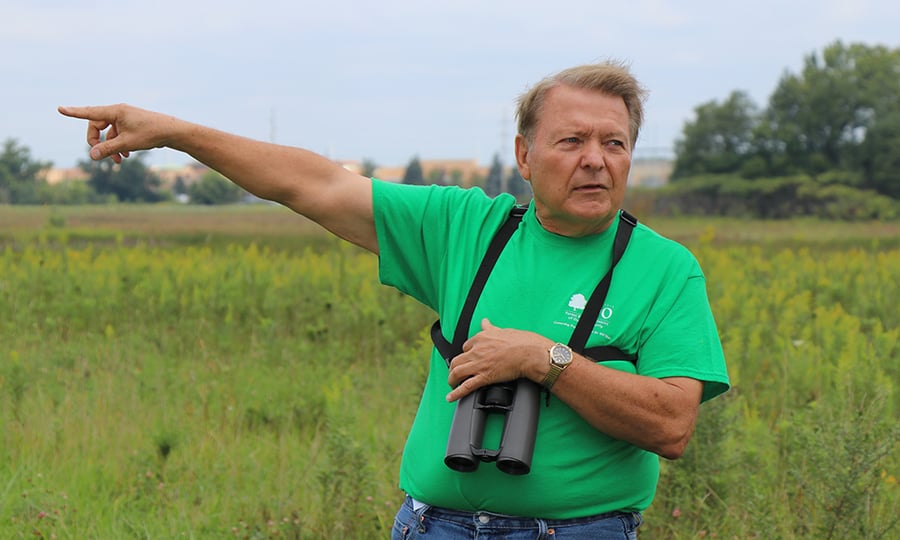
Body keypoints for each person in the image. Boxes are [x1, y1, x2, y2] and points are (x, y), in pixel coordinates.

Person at [59, 60, 730, 539]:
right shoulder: (464, 227)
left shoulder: (667, 270)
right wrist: (175, 133)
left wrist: (545, 360)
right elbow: (313, 184)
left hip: (579, 532)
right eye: (572, 141)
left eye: (614, 143)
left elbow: (672, 425)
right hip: (432, 524)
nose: (596, 159)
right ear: (524, 157)